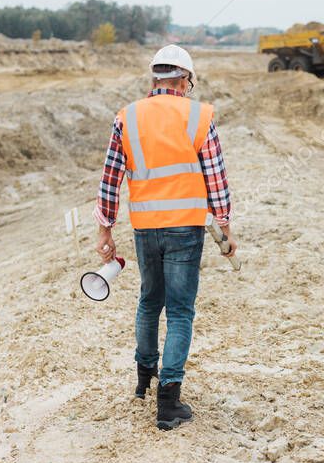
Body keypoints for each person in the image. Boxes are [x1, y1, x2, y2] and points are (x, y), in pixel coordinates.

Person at [93, 44, 237, 430]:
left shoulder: (127, 117)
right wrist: (224, 224)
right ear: (185, 79)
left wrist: (105, 228)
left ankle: (144, 379)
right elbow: (216, 178)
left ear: (155, 78)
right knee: (180, 311)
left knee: (148, 301)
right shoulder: (199, 115)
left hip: (145, 228)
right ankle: (168, 401)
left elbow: (111, 178)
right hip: (186, 229)